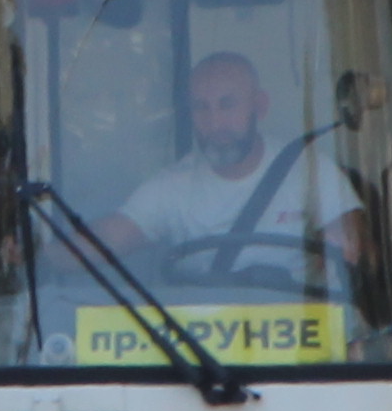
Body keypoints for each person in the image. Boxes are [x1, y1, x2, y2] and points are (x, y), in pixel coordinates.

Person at [101, 50, 363, 283]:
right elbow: (103, 242)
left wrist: (345, 241)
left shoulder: (311, 171)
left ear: (259, 107)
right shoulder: (171, 186)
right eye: (201, 108)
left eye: (227, 105)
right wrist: (60, 252)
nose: (215, 123)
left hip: (301, 327)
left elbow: (357, 251)